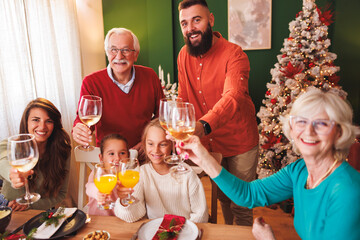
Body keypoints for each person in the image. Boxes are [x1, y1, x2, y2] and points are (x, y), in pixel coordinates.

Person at [174, 88, 360, 239]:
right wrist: (202, 157)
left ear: (340, 132)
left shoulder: (347, 191)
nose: (309, 131)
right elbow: (248, 194)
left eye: (322, 123)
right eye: (301, 121)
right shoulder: (300, 170)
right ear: (292, 128)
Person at [177, 0, 259, 226]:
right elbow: (183, 96)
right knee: (224, 198)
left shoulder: (235, 54)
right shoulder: (183, 55)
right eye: (184, 23)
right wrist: (176, 120)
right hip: (211, 144)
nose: (190, 28)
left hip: (240, 141)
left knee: (241, 203)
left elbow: (233, 96)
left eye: (197, 20)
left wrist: (201, 126)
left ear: (210, 20)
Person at [72, 27, 164, 161]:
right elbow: (84, 119)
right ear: (107, 53)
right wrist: (78, 128)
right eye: (113, 50)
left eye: (126, 50)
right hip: (110, 159)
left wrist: (147, 142)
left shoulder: (150, 76)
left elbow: (162, 117)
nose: (119, 56)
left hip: (144, 156)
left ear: (136, 54)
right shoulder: (91, 82)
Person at [114, 119, 208, 223]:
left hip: (184, 232)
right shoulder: (141, 173)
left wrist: (183, 231)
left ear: (173, 145)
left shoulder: (187, 173)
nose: (155, 150)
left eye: (163, 144)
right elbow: (133, 216)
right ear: (144, 144)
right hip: (154, 232)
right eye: (150, 144)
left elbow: (201, 215)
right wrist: (124, 201)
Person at [0, 98, 71, 211]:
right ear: (26, 122)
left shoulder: (63, 151)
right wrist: (12, 175)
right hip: (7, 208)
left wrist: (29, 205)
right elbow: (2, 162)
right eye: (36, 120)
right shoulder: (10, 144)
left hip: (41, 211)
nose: (42, 126)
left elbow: (61, 194)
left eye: (49, 121)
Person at [85, 133, 129, 216]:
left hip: (120, 218)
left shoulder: (128, 175)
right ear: (101, 158)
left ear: (128, 156)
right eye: (111, 154)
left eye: (122, 153)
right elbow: (89, 187)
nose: (117, 158)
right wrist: (97, 192)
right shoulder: (98, 172)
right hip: (98, 219)